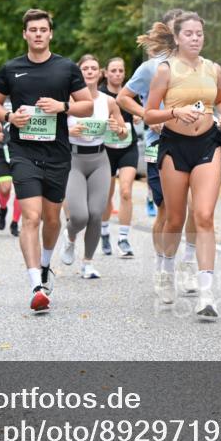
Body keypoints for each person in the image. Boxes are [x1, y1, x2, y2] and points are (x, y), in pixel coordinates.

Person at [0, 9, 93, 312]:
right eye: (32, 29)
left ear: (50, 34)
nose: (37, 34)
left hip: (57, 154)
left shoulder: (66, 68)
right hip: (23, 152)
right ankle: (35, 284)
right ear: (24, 34)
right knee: (30, 217)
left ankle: (46, 264)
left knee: (52, 218)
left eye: (42, 29)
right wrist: (8, 117)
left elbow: (86, 106)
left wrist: (63, 106)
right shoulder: (11, 69)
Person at [142, 11, 221, 317]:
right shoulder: (166, 71)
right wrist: (174, 114)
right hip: (174, 147)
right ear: (178, 38)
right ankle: (166, 270)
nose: (195, 38)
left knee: (204, 215)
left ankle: (206, 294)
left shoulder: (213, 69)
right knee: (175, 219)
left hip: (207, 144)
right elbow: (149, 114)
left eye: (199, 34)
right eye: (189, 34)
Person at [117, 8, 201, 301]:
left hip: (196, 144)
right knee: (168, 211)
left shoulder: (199, 66)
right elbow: (123, 97)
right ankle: (163, 269)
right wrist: (149, 115)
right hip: (160, 144)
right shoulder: (152, 68)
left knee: (196, 206)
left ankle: (189, 261)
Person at [58, 55, 128, 279]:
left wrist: (118, 129)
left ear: (100, 74)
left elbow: (123, 131)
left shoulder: (108, 101)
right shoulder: (67, 99)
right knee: (79, 216)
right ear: (79, 73)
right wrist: (69, 132)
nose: (89, 71)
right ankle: (69, 238)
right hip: (73, 160)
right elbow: (54, 128)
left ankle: (87, 263)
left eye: (93, 68)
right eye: (85, 68)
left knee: (96, 213)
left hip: (99, 159)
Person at [100, 57, 139, 258]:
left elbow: (141, 112)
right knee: (106, 194)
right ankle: (104, 231)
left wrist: (140, 117)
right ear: (105, 73)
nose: (117, 74)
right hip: (106, 149)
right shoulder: (99, 94)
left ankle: (123, 239)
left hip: (127, 147)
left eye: (120, 71)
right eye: (113, 70)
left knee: (125, 191)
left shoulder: (131, 92)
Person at [0, 120, 21, 236]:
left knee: (21, 189)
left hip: (20, 148)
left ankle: (15, 222)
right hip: (0, 148)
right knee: (5, 189)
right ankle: (3, 209)